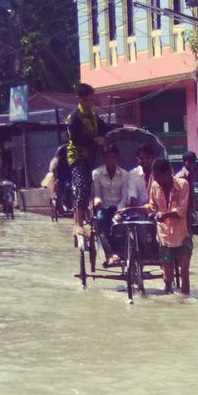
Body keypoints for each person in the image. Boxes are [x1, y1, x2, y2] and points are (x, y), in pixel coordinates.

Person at [66, 82, 112, 233]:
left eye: (92, 100)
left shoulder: (93, 115)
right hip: (78, 158)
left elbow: (105, 128)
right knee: (83, 186)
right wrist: (95, 140)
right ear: (80, 99)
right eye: (87, 100)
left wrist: (108, 135)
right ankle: (78, 224)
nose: (90, 103)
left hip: (93, 156)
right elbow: (76, 138)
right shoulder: (74, 117)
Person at [148, 156, 192, 294]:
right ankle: (169, 297)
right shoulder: (155, 185)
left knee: (184, 273)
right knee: (168, 278)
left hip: (183, 234)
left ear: (168, 173)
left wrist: (165, 215)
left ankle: (185, 300)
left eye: (159, 176)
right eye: (155, 176)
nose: (156, 180)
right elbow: (152, 206)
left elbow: (182, 209)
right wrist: (136, 209)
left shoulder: (183, 184)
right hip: (164, 237)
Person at [91, 142, 130, 267]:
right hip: (104, 206)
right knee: (102, 219)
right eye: (108, 157)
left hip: (120, 207)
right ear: (104, 158)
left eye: (113, 157)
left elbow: (125, 195)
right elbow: (97, 193)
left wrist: (119, 210)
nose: (110, 160)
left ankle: (126, 250)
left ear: (117, 158)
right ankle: (111, 251)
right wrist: (97, 201)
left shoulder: (124, 174)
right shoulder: (97, 173)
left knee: (126, 223)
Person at [126, 141, 158, 207]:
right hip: (139, 211)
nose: (145, 160)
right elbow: (132, 196)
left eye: (148, 157)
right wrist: (143, 211)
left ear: (153, 158)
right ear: (137, 159)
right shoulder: (132, 174)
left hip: (157, 210)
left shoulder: (159, 172)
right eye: (141, 158)